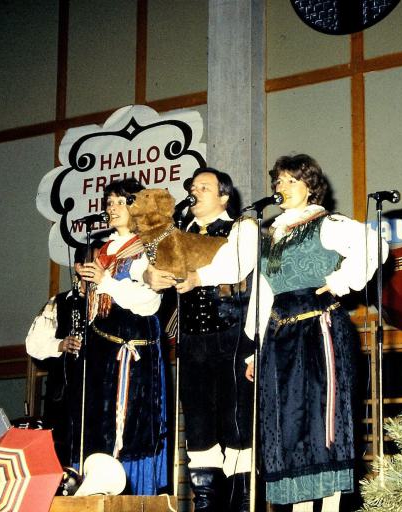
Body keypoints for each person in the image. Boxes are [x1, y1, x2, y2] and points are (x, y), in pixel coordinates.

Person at [178, 154, 387, 511]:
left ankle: (330, 506)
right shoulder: (272, 233)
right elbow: (263, 293)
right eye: (279, 181)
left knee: (322, 421)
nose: (282, 186)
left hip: (319, 328)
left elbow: (375, 244)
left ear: (310, 187)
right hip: (280, 335)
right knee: (288, 424)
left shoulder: (327, 223)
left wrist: (341, 281)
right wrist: (253, 349)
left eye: (292, 180)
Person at [146, 167, 256, 512]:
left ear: (224, 196)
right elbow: (152, 268)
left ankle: (241, 504)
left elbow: (236, 265)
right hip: (192, 343)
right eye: (192, 187)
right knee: (197, 426)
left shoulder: (242, 228)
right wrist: (151, 276)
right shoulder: (176, 233)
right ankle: (206, 504)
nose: (194, 192)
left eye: (204, 187)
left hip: (232, 338)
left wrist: (197, 277)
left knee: (236, 423)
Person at [75, 178, 168, 494]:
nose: (112, 208)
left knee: (126, 426)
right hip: (102, 350)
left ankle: (131, 494)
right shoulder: (102, 250)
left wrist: (105, 283)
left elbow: (149, 302)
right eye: (109, 202)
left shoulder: (148, 247)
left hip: (130, 351)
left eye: (120, 202)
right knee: (96, 425)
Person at [25, 241, 100, 467]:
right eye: (97, 261)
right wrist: (60, 345)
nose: (103, 266)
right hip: (64, 398)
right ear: (79, 267)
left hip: (100, 396)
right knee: (61, 457)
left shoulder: (115, 302)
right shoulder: (59, 302)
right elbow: (33, 343)